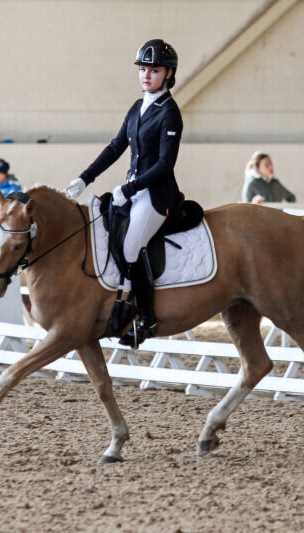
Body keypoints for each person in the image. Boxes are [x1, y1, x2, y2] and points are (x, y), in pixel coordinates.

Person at [65, 38, 184, 347]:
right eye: (143, 69)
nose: (146, 75)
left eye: (154, 70)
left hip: (156, 195)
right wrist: (85, 178)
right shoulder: (137, 106)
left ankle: (146, 319)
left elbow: (164, 164)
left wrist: (129, 187)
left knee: (131, 248)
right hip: (132, 191)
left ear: (168, 74)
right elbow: (116, 147)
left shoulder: (170, 112)